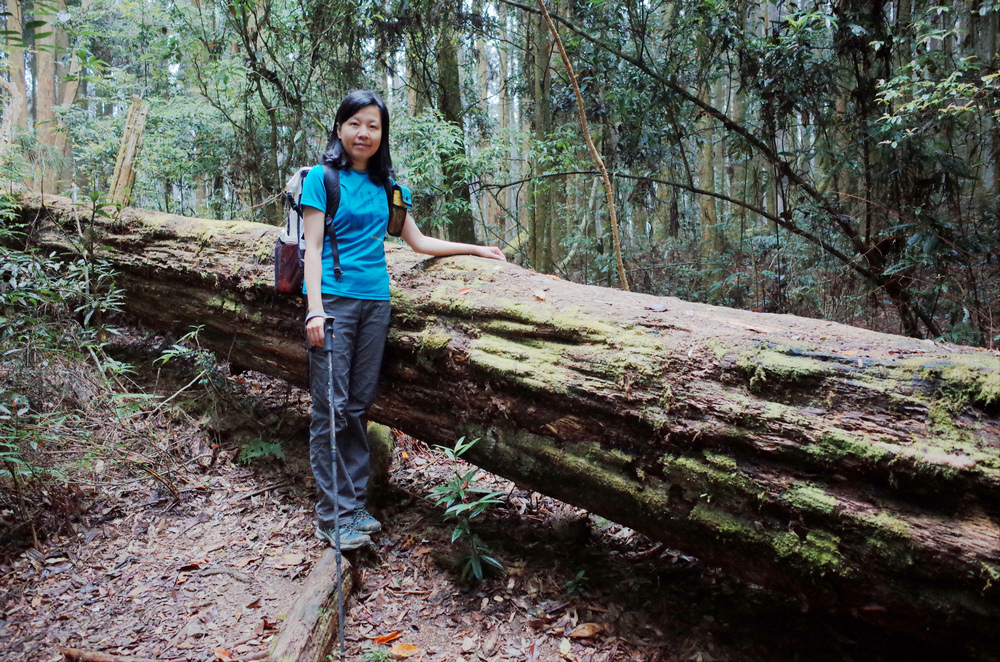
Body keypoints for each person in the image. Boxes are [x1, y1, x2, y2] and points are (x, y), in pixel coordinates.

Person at [301, 90, 506, 550]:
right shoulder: (322, 179)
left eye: (373, 126)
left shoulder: (389, 188)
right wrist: (314, 307)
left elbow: (417, 242)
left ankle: (352, 506)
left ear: (382, 134)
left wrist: (475, 248)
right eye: (355, 123)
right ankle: (331, 517)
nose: (364, 133)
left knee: (356, 407)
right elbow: (311, 249)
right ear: (340, 128)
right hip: (333, 303)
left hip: (376, 304)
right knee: (328, 410)